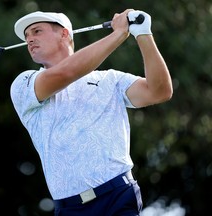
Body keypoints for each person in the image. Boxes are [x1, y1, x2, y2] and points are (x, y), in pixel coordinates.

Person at [10, 9, 173, 216]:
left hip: (119, 196)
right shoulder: (23, 84)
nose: (29, 40)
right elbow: (65, 73)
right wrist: (118, 34)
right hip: (71, 209)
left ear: (64, 34)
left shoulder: (110, 80)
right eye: (27, 36)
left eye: (37, 31)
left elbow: (159, 91)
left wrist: (143, 34)